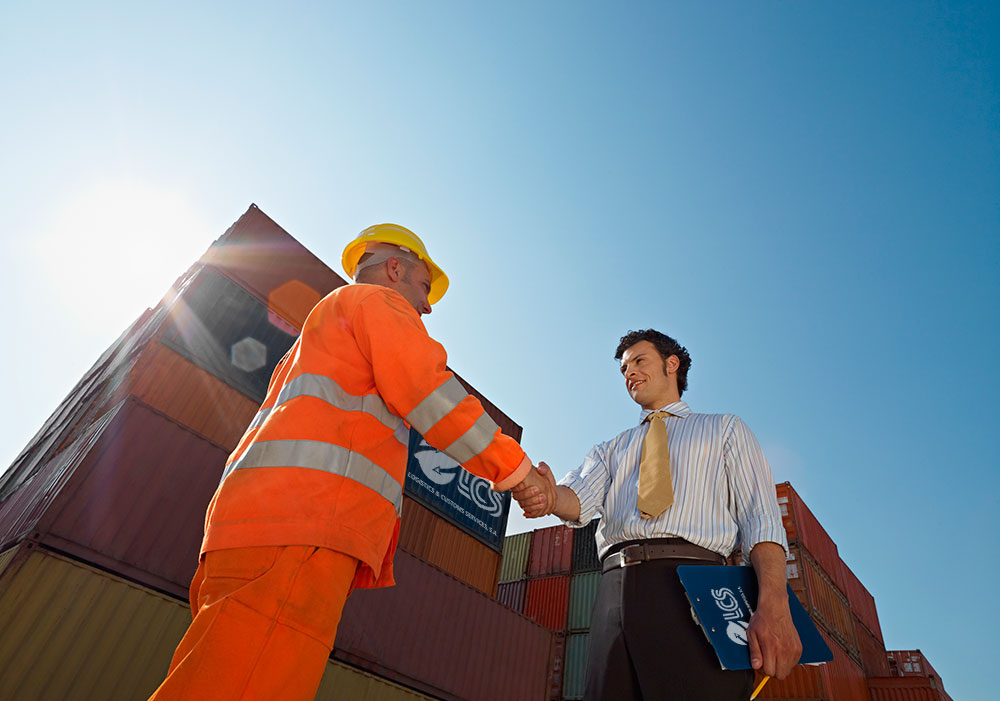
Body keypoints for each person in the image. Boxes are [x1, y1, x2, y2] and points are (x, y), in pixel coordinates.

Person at [149, 223, 555, 701]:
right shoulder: (375, 304)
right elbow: (430, 393)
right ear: (395, 268)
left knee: (216, 678)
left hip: (257, 525)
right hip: (304, 525)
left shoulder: (319, 335)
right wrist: (520, 472)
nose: (427, 305)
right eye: (424, 287)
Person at [513, 329, 801, 700]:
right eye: (623, 369)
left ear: (672, 364)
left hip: (696, 587)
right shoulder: (611, 448)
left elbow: (761, 520)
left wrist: (774, 606)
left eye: (638, 361)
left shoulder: (724, 429)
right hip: (614, 592)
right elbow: (577, 500)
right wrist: (549, 496)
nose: (628, 372)